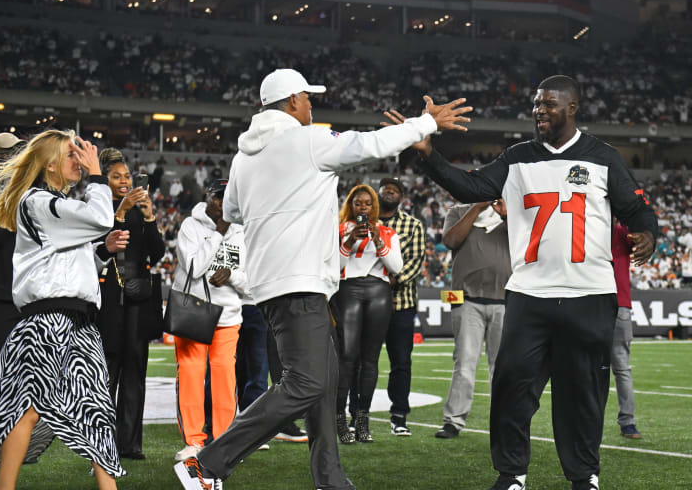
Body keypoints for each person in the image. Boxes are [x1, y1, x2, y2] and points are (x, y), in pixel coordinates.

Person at [174, 68, 471, 490]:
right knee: (307, 381)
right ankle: (206, 464)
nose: (311, 105)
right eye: (308, 98)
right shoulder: (310, 140)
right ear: (292, 101)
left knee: (324, 384)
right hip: (301, 281)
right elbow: (372, 144)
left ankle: (331, 480)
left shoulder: (244, 157)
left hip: (272, 284)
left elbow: (235, 210)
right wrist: (426, 123)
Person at [385, 76, 657, 490]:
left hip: (590, 293)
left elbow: (636, 209)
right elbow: (470, 186)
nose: (539, 110)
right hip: (530, 293)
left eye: (548, 103)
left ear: (572, 107)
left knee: (582, 394)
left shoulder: (604, 157)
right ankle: (511, 474)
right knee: (511, 387)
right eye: (535, 104)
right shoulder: (516, 158)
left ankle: (584, 477)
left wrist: (648, 235)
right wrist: (428, 154)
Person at [0, 131, 124, 489]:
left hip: (79, 322)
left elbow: (71, 272)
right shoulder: (36, 201)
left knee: (97, 412)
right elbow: (100, 218)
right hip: (46, 322)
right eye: (69, 156)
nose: (77, 161)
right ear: (49, 165)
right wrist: (97, 176)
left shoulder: (54, 205)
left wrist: (103, 252)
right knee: (27, 411)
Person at [94, 148, 165, 461]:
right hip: (108, 298)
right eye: (116, 177)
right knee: (107, 369)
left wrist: (149, 217)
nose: (124, 181)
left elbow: (157, 253)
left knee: (135, 369)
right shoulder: (97, 209)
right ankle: (102, 441)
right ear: (104, 181)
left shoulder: (140, 210)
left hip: (138, 298)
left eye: (126, 176)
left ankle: (130, 443)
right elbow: (99, 251)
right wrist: (119, 213)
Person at [173, 179, 247, 461]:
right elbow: (193, 268)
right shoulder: (190, 226)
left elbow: (251, 282)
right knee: (191, 374)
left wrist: (233, 275)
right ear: (207, 198)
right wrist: (218, 234)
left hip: (227, 315)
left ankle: (225, 442)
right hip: (194, 310)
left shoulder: (243, 231)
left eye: (230, 198)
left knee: (224, 378)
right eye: (219, 197)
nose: (224, 203)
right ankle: (193, 441)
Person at [435, 200, 511, 439]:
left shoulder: (513, 212)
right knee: (465, 363)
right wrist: (476, 208)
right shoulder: (457, 211)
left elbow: (529, 242)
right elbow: (450, 241)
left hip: (506, 299)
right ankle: (454, 421)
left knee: (502, 367)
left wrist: (509, 216)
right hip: (466, 299)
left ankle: (504, 421)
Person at [334, 184, 402, 444]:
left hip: (378, 291)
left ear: (375, 206)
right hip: (347, 289)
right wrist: (350, 240)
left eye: (368, 203)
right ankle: (339, 418)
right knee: (347, 357)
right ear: (350, 205)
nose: (363, 207)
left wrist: (377, 239)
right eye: (358, 203)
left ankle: (361, 419)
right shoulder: (339, 230)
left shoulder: (387, 232)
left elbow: (396, 267)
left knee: (370, 360)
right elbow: (334, 266)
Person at [377, 176, 425, 436]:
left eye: (395, 190)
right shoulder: (364, 221)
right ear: (379, 193)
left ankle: (399, 415)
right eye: (386, 189)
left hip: (401, 303)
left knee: (401, 362)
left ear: (402, 197)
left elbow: (416, 261)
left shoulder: (413, 224)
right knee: (363, 361)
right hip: (366, 303)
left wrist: (392, 280)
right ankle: (357, 413)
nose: (390, 192)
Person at [0, 133, 25, 397]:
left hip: (15, 294)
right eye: (7, 154)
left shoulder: (19, 193)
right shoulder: (3, 197)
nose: (12, 159)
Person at [611, 223, 642, 439]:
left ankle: (628, 421)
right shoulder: (620, 231)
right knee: (619, 368)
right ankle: (627, 423)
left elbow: (640, 237)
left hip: (616, 304)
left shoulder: (622, 231)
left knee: (620, 368)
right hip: (599, 302)